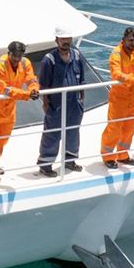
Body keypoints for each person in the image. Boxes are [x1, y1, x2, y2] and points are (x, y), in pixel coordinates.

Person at [0, 41, 38, 184]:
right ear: (9, 53)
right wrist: (26, 95)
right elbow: (4, 89)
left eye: (19, 56)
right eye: (14, 56)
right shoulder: (0, 65)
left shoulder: (25, 63)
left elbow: (31, 79)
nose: (17, 59)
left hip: (9, 110)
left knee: (3, 140)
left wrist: (34, 89)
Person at [36, 25, 88, 175]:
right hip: (56, 104)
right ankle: (45, 164)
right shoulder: (49, 59)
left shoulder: (77, 55)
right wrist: (46, 103)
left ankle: (70, 161)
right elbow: (44, 85)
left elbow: (82, 78)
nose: (66, 41)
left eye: (68, 38)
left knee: (73, 131)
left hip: (74, 102)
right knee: (52, 133)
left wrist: (81, 97)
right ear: (56, 40)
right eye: (63, 39)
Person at [100, 27, 134, 167]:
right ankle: (107, 157)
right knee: (114, 128)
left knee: (129, 128)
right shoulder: (116, 53)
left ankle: (122, 155)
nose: (133, 43)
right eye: (130, 40)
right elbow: (116, 74)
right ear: (123, 40)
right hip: (119, 98)